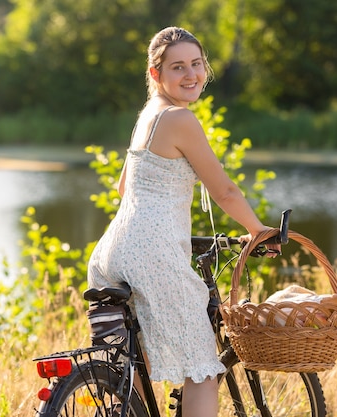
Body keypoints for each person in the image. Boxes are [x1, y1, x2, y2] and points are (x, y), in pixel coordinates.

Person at [87, 26, 279, 417]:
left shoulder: (149, 115)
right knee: (202, 368)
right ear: (156, 74)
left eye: (197, 64)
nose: (191, 75)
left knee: (131, 368)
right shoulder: (179, 118)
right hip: (150, 252)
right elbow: (224, 191)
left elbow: (124, 187)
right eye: (178, 67)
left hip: (111, 251)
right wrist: (258, 231)